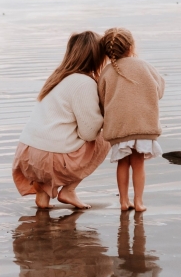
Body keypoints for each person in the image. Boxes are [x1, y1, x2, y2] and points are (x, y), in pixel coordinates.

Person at [12, 31, 110, 209]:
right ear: (97, 57)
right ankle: (68, 191)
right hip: (48, 160)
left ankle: (43, 196)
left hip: (26, 154)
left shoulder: (57, 77)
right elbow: (89, 132)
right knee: (105, 137)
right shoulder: (84, 83)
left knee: (57, 135)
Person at [98, 28, 165, 212]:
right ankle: (139, 202)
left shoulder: (107, 72)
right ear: (130, 46)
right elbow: (159, 90)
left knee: (122, 164)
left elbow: (101, 98)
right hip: (143, 124)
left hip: (120, 127)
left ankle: (123, 202)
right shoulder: (144, 66)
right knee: (138, 164)